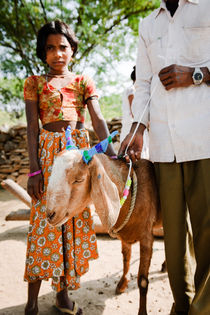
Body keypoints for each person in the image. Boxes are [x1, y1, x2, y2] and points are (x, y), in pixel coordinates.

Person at [119, 1, 210, 314]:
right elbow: (143, 83)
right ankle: (183, 305)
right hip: (164, 144)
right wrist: (137, 129)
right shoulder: (148, 25)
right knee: (172, 235)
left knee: (207, 229)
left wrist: (196, 74)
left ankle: (203, 307)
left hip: (205, 138)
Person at [24, 20, 116, 315]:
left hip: (77, 161)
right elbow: (31, 130)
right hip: (49, 159)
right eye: (50, 48)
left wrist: (111, 156)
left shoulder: (83, 82)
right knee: (43, 224)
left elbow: (99, 120)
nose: (57, 53)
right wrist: (35, 171)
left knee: (70, 225)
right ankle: (31, 303)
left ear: (72, 50)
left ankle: (62, 297)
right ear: (43, 53)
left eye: (63, 47)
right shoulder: (35, 83)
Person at [120, 66, 149, 159]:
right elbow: (135, 112)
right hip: (133, 126)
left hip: (133, 125)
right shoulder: (132, 90)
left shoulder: (133, 89)